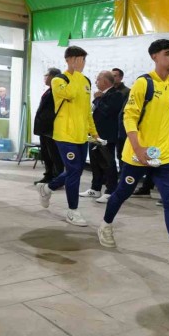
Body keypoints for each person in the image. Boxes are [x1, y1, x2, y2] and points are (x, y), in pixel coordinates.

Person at [97, 39, 169, 265]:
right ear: (155, 56)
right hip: (138, 154)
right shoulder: (143, 83)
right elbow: (129, 117)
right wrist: (138, 148)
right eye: (168, 53)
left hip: (163, 154)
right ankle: (105, 225)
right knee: (122, 193)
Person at [37, 46, 99, 226]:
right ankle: (73, 211)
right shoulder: (59, 80)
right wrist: (75, 73)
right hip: (64, 134)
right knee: (74, 172)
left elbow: (87, 110)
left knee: (76, 170)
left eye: (83, 60)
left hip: (81, 135)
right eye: (79, 59)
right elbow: (70, 94)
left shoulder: (85, 81)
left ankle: (48, 188)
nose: (82, 63)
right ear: (69, 60)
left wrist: (94, 132)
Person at [80, 70, 125, 203]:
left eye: (98, 79)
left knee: (108, 163)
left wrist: (99, 98)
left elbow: (107, 111)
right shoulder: (100, 95)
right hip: (95, 134)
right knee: (95, 162)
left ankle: (111, 191)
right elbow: (94, 110)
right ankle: (95, 188)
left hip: (107, 135)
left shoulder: (116, 94)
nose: (96, 82)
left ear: (105, 81)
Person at [33, 67, 64, 184]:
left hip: (51, 128)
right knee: (46, 154)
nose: (45, 77)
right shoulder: (49, 90)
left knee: (54, 155)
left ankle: (57, 178)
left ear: (53, 77)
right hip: (44, 129)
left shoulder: (57, 91)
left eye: (46, 75)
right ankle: (48, 175)